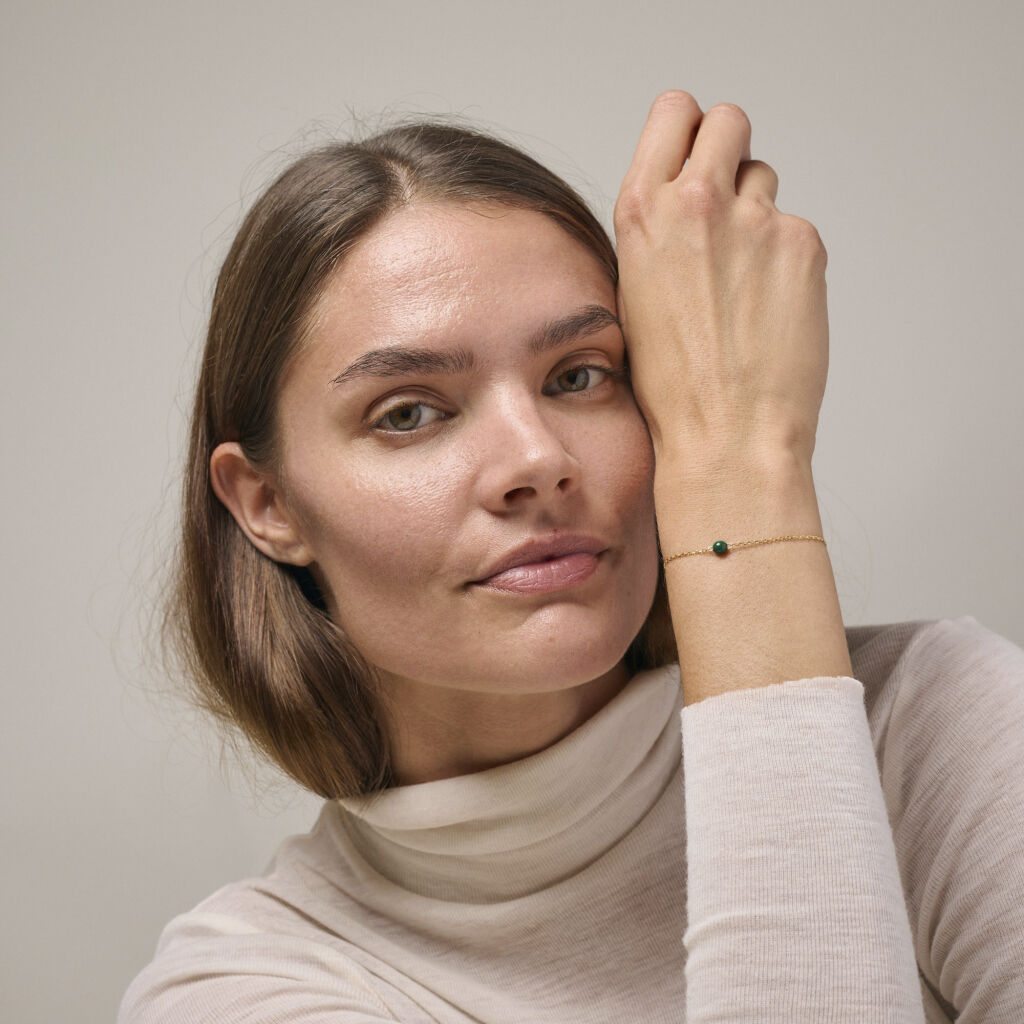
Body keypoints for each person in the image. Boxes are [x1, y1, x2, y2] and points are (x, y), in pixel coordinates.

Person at [118, 92, 1024, 1023]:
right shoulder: (245, 988)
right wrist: (741, 475)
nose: (538, 460)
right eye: (409, 412)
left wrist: (741, 470)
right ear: (267, 505)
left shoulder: (935, 726)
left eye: (579, 376)